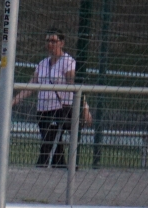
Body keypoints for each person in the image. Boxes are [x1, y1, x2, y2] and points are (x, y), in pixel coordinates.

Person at [12, 28, 91, 167]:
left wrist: (85, 107)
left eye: (54, 41)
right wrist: (13, 101)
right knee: (54, 144)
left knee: (49, 143)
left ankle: (42, 166)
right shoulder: (42, 63)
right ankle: (60, 166)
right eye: (48, 41)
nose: (50, 44)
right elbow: (31, 85)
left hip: (59, 109)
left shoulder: (68, 62)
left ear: (62, 43)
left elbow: (74, 86)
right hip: (43, 109)